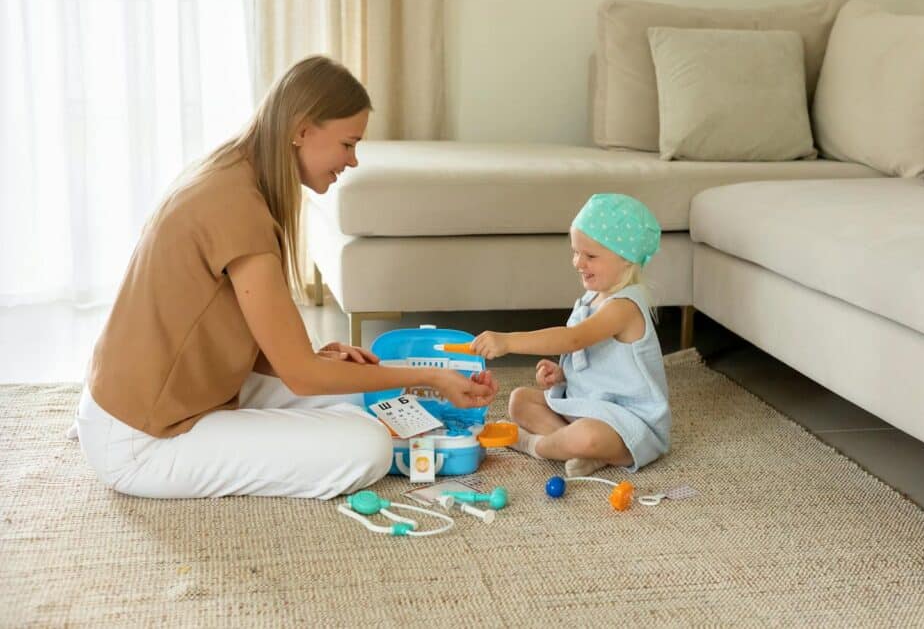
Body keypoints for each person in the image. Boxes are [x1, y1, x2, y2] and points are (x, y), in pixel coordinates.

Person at [71, 55, 497, 499]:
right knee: (367, 444)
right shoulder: (237, 206)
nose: (353, 161)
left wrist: (318, 360)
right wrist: (427, 378)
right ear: (301, 130)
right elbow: (302, 377)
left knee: (365, 398)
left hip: (169, 394)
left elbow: (239, 335)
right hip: (142, 440)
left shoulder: (233, 174)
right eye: (348, 144)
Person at [471, 193, 670, 477]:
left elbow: (574, 338)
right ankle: (583, 452)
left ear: (626, 260)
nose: (578, 262)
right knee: (519, 401)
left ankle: (535, 445)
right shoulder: (591, 299)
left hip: (627, 421)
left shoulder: (624, 307)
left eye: (590, 256)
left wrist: (509, 341)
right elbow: (593, 357)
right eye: (576, 252)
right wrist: (564, 375)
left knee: (587, 435)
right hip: (589, 404)